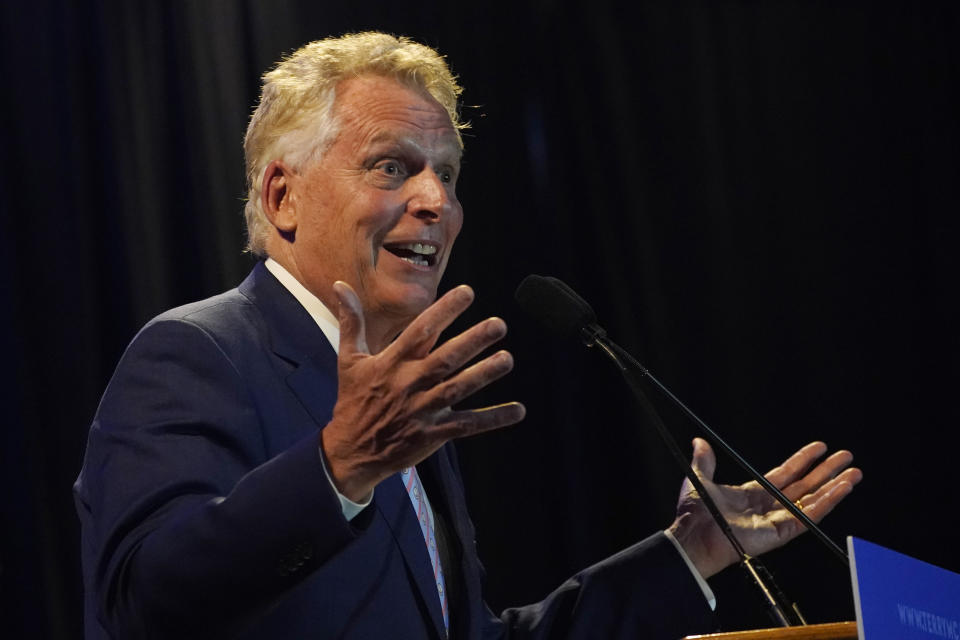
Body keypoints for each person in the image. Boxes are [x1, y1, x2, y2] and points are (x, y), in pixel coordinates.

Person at [74, 32, 862, 640]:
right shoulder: (197, 354)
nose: (435, 202)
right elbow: (142, 604)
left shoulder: (397, 407)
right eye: (391, 167)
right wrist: (337, 468)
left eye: (447, 174)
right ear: (283, 194)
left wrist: (691, 553)